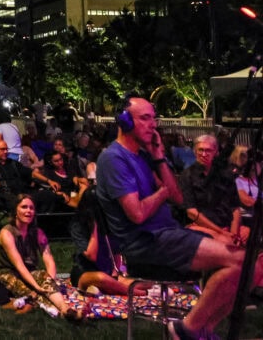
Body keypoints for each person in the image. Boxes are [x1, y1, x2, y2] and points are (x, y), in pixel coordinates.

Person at [97, 97, 263, 340]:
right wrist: (163, 190)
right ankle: (186, 329)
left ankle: (201, 329)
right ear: (124, 121)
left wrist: (158, 156)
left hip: (168, 234)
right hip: (145, 242)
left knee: (255, 266)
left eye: (154, 118)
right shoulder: (114, 158)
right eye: (145, 118)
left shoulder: (143, 155)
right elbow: (138, 213)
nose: (152, 124)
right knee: (243, 261)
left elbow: (176, 195)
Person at [0, 193, 82, 321]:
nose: (28, 211)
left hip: (31, 272)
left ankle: (65, 309)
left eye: (31, 208)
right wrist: (37, 287)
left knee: (43, 276)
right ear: (15, 210)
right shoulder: (7, 233)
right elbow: (19, 265)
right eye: (24, 207)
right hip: (10, 273)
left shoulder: (38, 233)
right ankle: (62, 313)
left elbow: (49, 260)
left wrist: (50, 281)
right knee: (34, 292)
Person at [178, 133, 247, 245]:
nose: (204, 154)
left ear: (215, 152)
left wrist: (234, 233)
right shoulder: (187, 176)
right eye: (201, 150)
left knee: (250, 235)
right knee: (229, 244)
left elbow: (235, 208)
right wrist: (221, 232)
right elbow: (192, 213)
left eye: (208, 150)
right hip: (203, 226)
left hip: (227, 226)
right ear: (195, 151)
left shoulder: (225, 174)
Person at [0, 140, 58, 215]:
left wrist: (49, 181)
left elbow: (32, 173)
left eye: (6, 149)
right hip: (7, 196)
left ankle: (43, 222)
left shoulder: (13, 163)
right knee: (26, 202)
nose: (6, 152)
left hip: (24, 191)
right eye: (2, 149)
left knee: (49, 195)